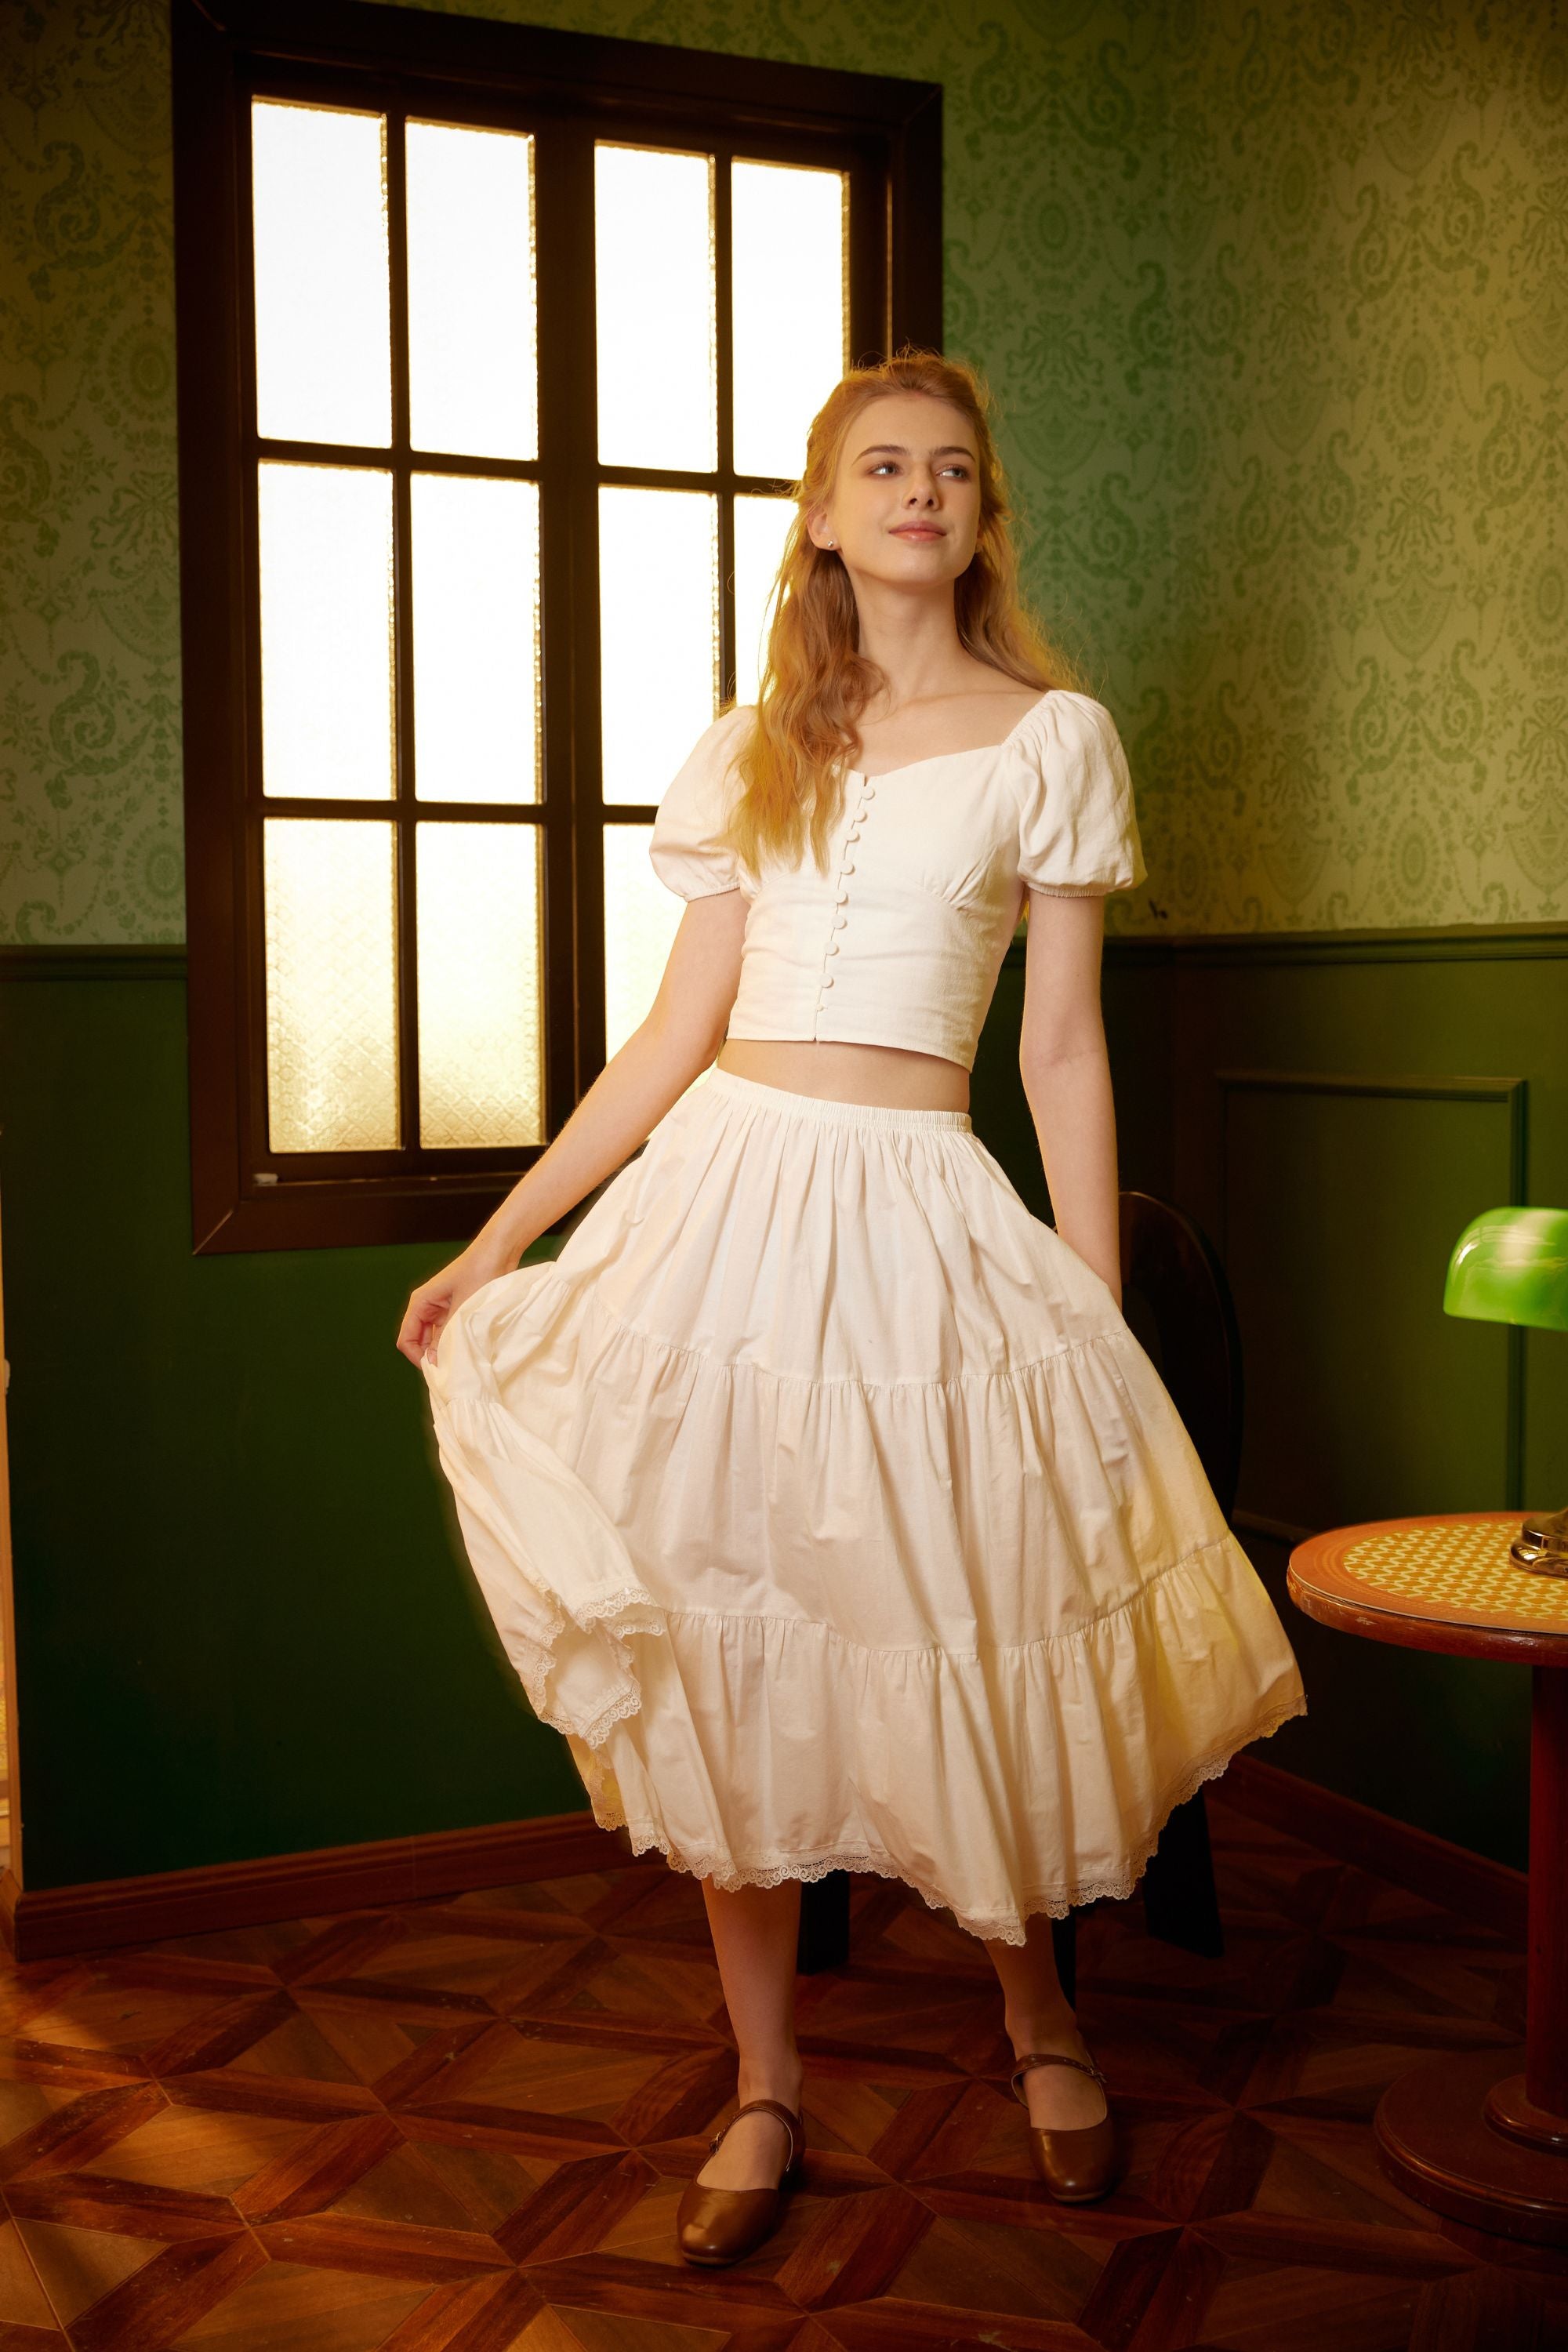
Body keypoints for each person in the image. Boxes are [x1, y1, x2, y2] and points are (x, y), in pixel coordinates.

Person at [397, 349, 1305, 2262]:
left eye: (953, 468)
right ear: (819, 513)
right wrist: (504, 1240)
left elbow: (1060, 1051)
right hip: (723, 1218)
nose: (918, 491)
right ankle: (763, 2082)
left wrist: (1090, 1299)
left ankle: (1038, 2020)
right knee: (731, 1651)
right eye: (880, 466)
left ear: (982, 516)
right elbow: (671, 1037)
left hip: (921, 1216)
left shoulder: (1055, 736)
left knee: (952, 1627)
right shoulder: (749, 752)